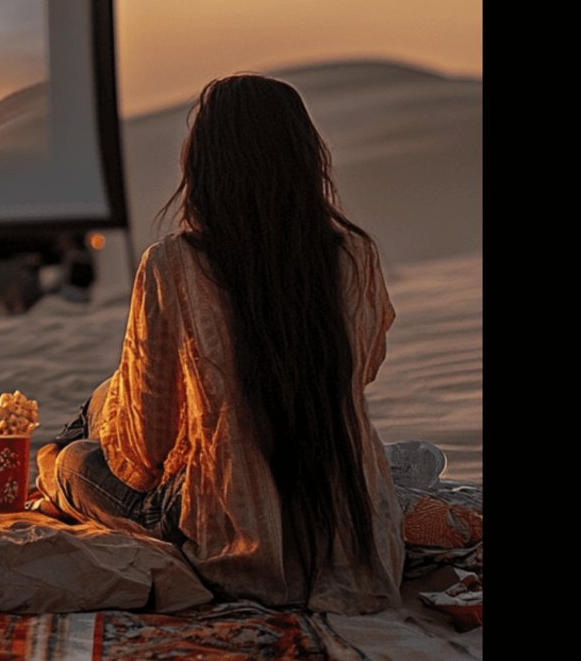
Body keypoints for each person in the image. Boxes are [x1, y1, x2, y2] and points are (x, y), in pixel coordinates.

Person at [36, 74, 405, 613]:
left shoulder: (173, 265)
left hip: (232, 544)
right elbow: (362, 371)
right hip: (351, 530)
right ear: (306, 159)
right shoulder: (355, 257)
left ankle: (56, 454)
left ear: (203, 167)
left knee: (69, 460)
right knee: (109, 400)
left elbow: (143, 455)